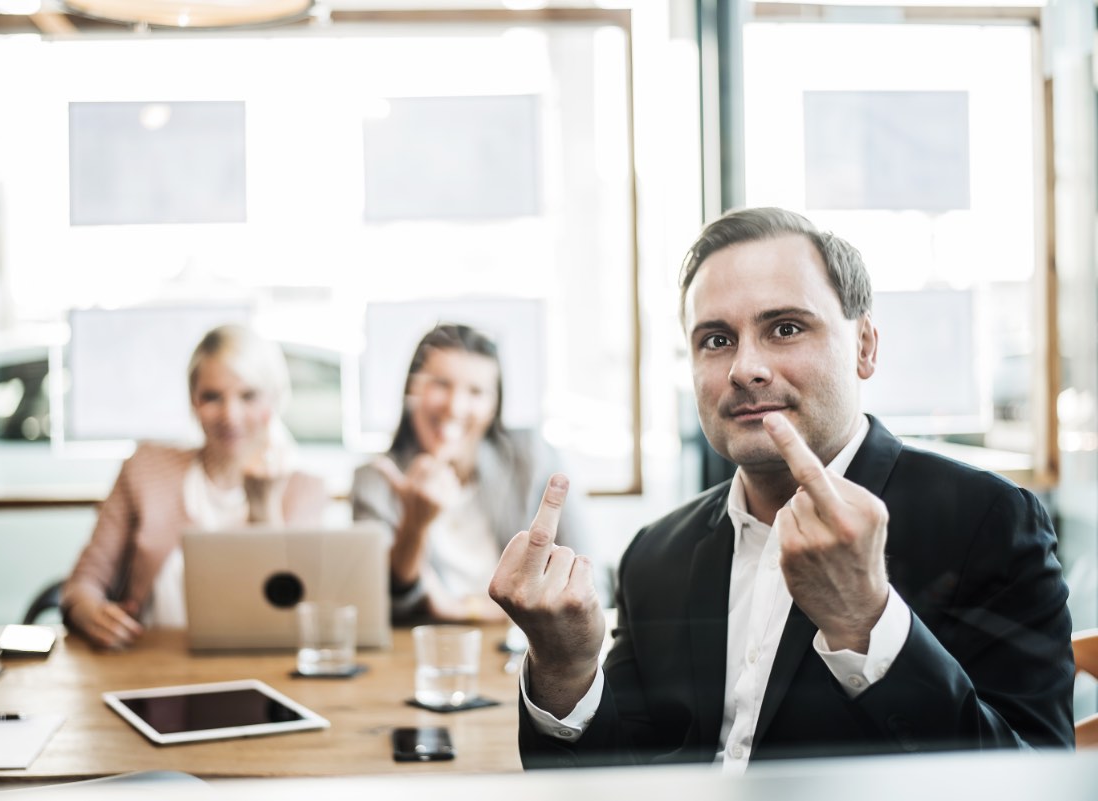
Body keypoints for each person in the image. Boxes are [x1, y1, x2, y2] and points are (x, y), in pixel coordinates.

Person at [489, 207, 1074, 770]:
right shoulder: (656, 554)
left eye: (785, 328)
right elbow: (622, 779)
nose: (745, 368)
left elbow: (1038, 784)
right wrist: (564, 670)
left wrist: (869, 627)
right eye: (716, 340)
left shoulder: (986, 520)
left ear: (865, 347)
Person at [62, 324, 326, 648]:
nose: (230, 415)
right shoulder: (145, 468)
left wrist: (264, 508)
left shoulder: (305, 491)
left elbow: (289, 616)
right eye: (212, 397)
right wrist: (89, 611)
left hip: (255, 672)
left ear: (274, 400)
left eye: (249, 396)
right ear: (193, 401)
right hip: (148, 666)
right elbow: (84, 582)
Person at [352, 322, 604, 623]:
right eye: (441, 384)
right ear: (412, 390)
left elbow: (590, 584)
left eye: (476, 391)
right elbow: (387, 609)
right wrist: (414, 526)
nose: (455, 407)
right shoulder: (377, 479)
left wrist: (465, 610)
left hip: (525, 649)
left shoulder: (532, 457)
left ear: (494, 405)